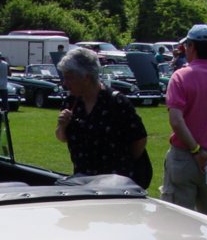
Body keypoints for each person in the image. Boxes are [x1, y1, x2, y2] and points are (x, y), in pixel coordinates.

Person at [161, 24, 207, 218]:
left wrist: (196, 151)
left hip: (184, 156)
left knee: (177, 221)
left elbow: (176, 121)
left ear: (191, 46)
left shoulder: (181, 76)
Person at [54, 47, 148, 185]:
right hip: (82, 181)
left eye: (69, 78)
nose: (65, 83)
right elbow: (62, 137)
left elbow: (139, 140)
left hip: (114, 185)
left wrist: (123, 166)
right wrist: (62, 126)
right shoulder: (71, 102)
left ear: (85, 77)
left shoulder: (116, 102)